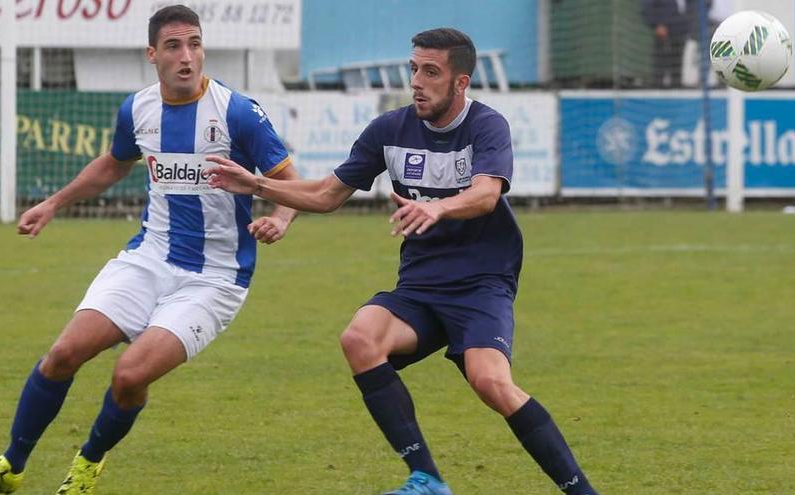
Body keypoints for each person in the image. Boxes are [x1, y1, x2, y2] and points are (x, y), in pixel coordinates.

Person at [204, 28, 599, 495]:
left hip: (480, 286)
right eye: (414, 68)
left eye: (431, 72)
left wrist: (438, 206)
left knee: (491, 382)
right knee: (359, 338)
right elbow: (328, 194)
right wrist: (258, 186)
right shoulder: (389, 129)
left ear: (460, 83)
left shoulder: (486, 126)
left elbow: (487, 194)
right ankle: (427, 478)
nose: (417, 80)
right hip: (420, 286)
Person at [0, 5, 298, 494]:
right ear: (152, 54)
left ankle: (88, 464)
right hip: (148, 257)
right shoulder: (137, 109)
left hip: (215, 278)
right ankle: (11, 465)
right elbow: (114, 165)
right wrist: (52, 203)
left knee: (129, 375)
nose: (187, 56)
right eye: (174, 46)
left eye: (195, 44)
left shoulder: (236, 112)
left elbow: (287, 180)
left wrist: (279, 217)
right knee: (63, 353)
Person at [641, 0, 699, 87]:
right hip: (665, 30)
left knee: (678, 61)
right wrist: (656, 24)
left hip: (682, 29)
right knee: (661, 60)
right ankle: (658, 86)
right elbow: (647, 6)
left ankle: (676, 85)